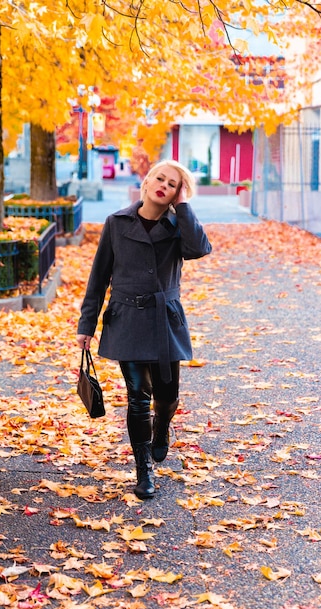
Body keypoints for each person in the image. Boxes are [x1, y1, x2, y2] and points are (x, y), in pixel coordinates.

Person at [76, 159, 212, 499]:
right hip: (127, 319)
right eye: (160, 178)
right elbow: (99, 277)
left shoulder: (178, 226)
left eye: (173, 184)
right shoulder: (116, 223)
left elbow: (199, 249)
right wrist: (86, 324)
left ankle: (162, 428)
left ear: (177, 194)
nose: (164, 185)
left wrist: (183, 206)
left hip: (166, 320)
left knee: (166, 396)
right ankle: (143, 470)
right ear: (148, 180)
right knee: (138, 397)